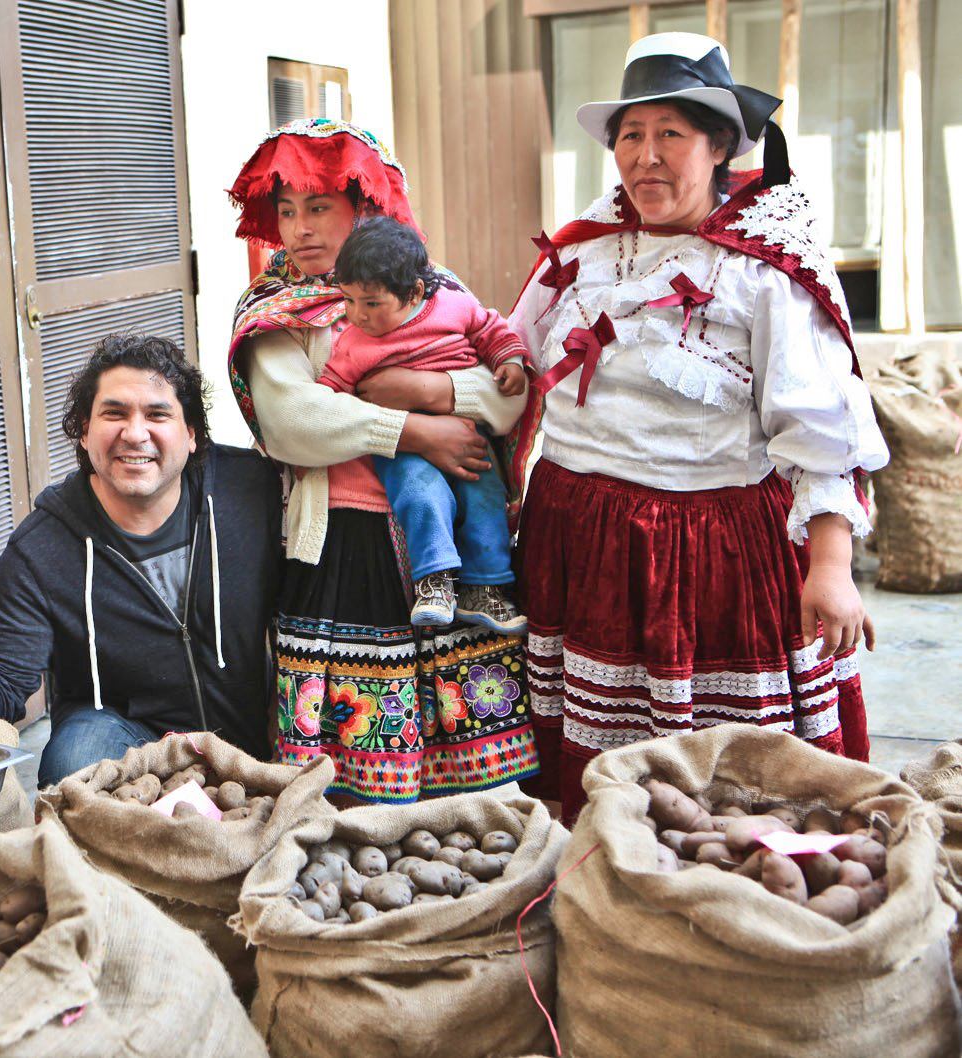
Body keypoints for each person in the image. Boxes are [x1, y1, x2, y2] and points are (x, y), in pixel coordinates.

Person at [506, 33, 888, 820]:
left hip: (706, 551)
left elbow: (817, 421)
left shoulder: (762, 270)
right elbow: (509, 363)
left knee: (726, 793)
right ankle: (606, 891)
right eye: (630, 136)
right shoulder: (581, 254)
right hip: (575, 538)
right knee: (589, 778)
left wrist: (830, 564)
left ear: (718, 148)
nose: (646, 156)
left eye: (670, 135)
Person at [226, 118, 540, 803]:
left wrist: (428, 389)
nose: (300, 229)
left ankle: (464, 862)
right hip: (342, 538)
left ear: (364, 206)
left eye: (318, 208)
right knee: (354, 756)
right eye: (286, 212)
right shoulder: (273, 311)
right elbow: (292, 421)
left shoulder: (431, 288)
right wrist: (418, 430)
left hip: (449, 540)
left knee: (463, 742)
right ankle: (356, 864)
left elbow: (509, 398)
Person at [0, 333, 283, 786]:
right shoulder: (43, 547)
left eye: (157, 414)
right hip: (127, 744)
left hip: (247, 736)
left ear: (191, 434)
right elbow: (1, 675)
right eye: (114, 413)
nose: (135, 434)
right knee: (73, 759)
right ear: (84, 428)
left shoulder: (249, 491)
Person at [321, 216, 528, 633]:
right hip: (403, 444)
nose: (357, 315)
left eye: (372, 303)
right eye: (349, 300)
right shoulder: (354, 344)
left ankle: (484, 590)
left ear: (414, 291)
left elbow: (490, 328)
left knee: (484, 496)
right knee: (419, 495)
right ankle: (433, 582)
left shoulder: (453, 304)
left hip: (468, 434)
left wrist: (510, 361)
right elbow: (330, 396)